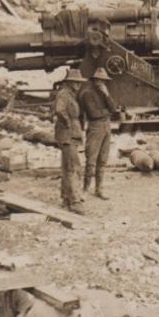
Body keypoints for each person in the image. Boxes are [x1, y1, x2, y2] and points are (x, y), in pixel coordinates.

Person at [79, 67, 118, 200]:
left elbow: (114, 109)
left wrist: (107, 95)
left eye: (103, 81)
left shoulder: (105, 93)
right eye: (99, 80)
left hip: (107, 126)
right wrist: (107, 112)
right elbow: (93, 113)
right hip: (95, 127)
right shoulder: (87, 94)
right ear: (94, 80)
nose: (101, 83)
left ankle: (99, 189)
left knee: (102, 160)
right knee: (91, 160)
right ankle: (85, 189)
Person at [52, 69, 87, 213]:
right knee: (74, 167)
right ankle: (75, 201)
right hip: (68, 135)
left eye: (79, 82)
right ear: (70, 82)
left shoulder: (70, 95)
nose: (78, 85)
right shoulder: (64, 95)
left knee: (68, 167)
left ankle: (67, 197)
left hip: (70, 134)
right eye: (76, 82)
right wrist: (68, 123)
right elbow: (60, 110)